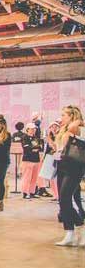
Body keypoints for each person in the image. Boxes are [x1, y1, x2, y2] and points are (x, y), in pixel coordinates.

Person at [53, 105, 85, 247]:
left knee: (66, 197)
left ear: (72, 116)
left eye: (64, 115)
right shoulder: (63, 130)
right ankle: (70, 233)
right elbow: (59, 148)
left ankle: (80, 229)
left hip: (74, 167)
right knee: (62, 200)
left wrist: (77, 121)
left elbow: (74, 129)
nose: (61, 118)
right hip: (61, 165)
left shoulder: (79, 128)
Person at [20, 123, 43, 200]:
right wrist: (34, 148)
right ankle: (25, 192)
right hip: (27, 160)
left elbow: (40, 147)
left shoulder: (36, 138)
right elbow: (26, 147)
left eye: (34, 129)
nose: (33, 130)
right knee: (27, 177)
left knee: (34, 177)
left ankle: (32, 192)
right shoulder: (24, 137)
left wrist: (34, 148)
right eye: (31, 129)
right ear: (27, 129)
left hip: (36, 160)